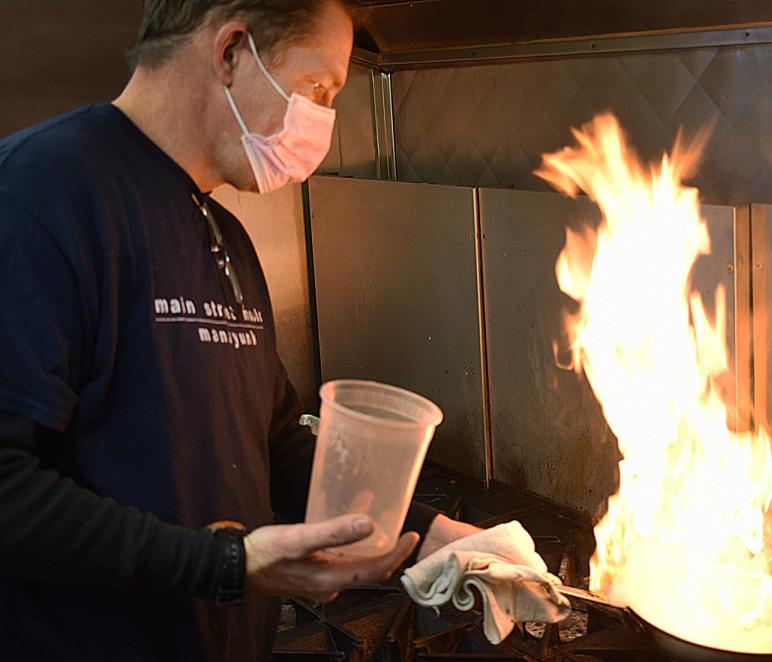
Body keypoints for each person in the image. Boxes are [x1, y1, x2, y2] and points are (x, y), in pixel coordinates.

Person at [0, 1, 478, 660]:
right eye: (317, 90)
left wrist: (436, 534)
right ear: (230, 51)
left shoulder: (222, 234)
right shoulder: (41, 193)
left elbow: (273, 441)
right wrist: (226, 562)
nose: (321, 125)